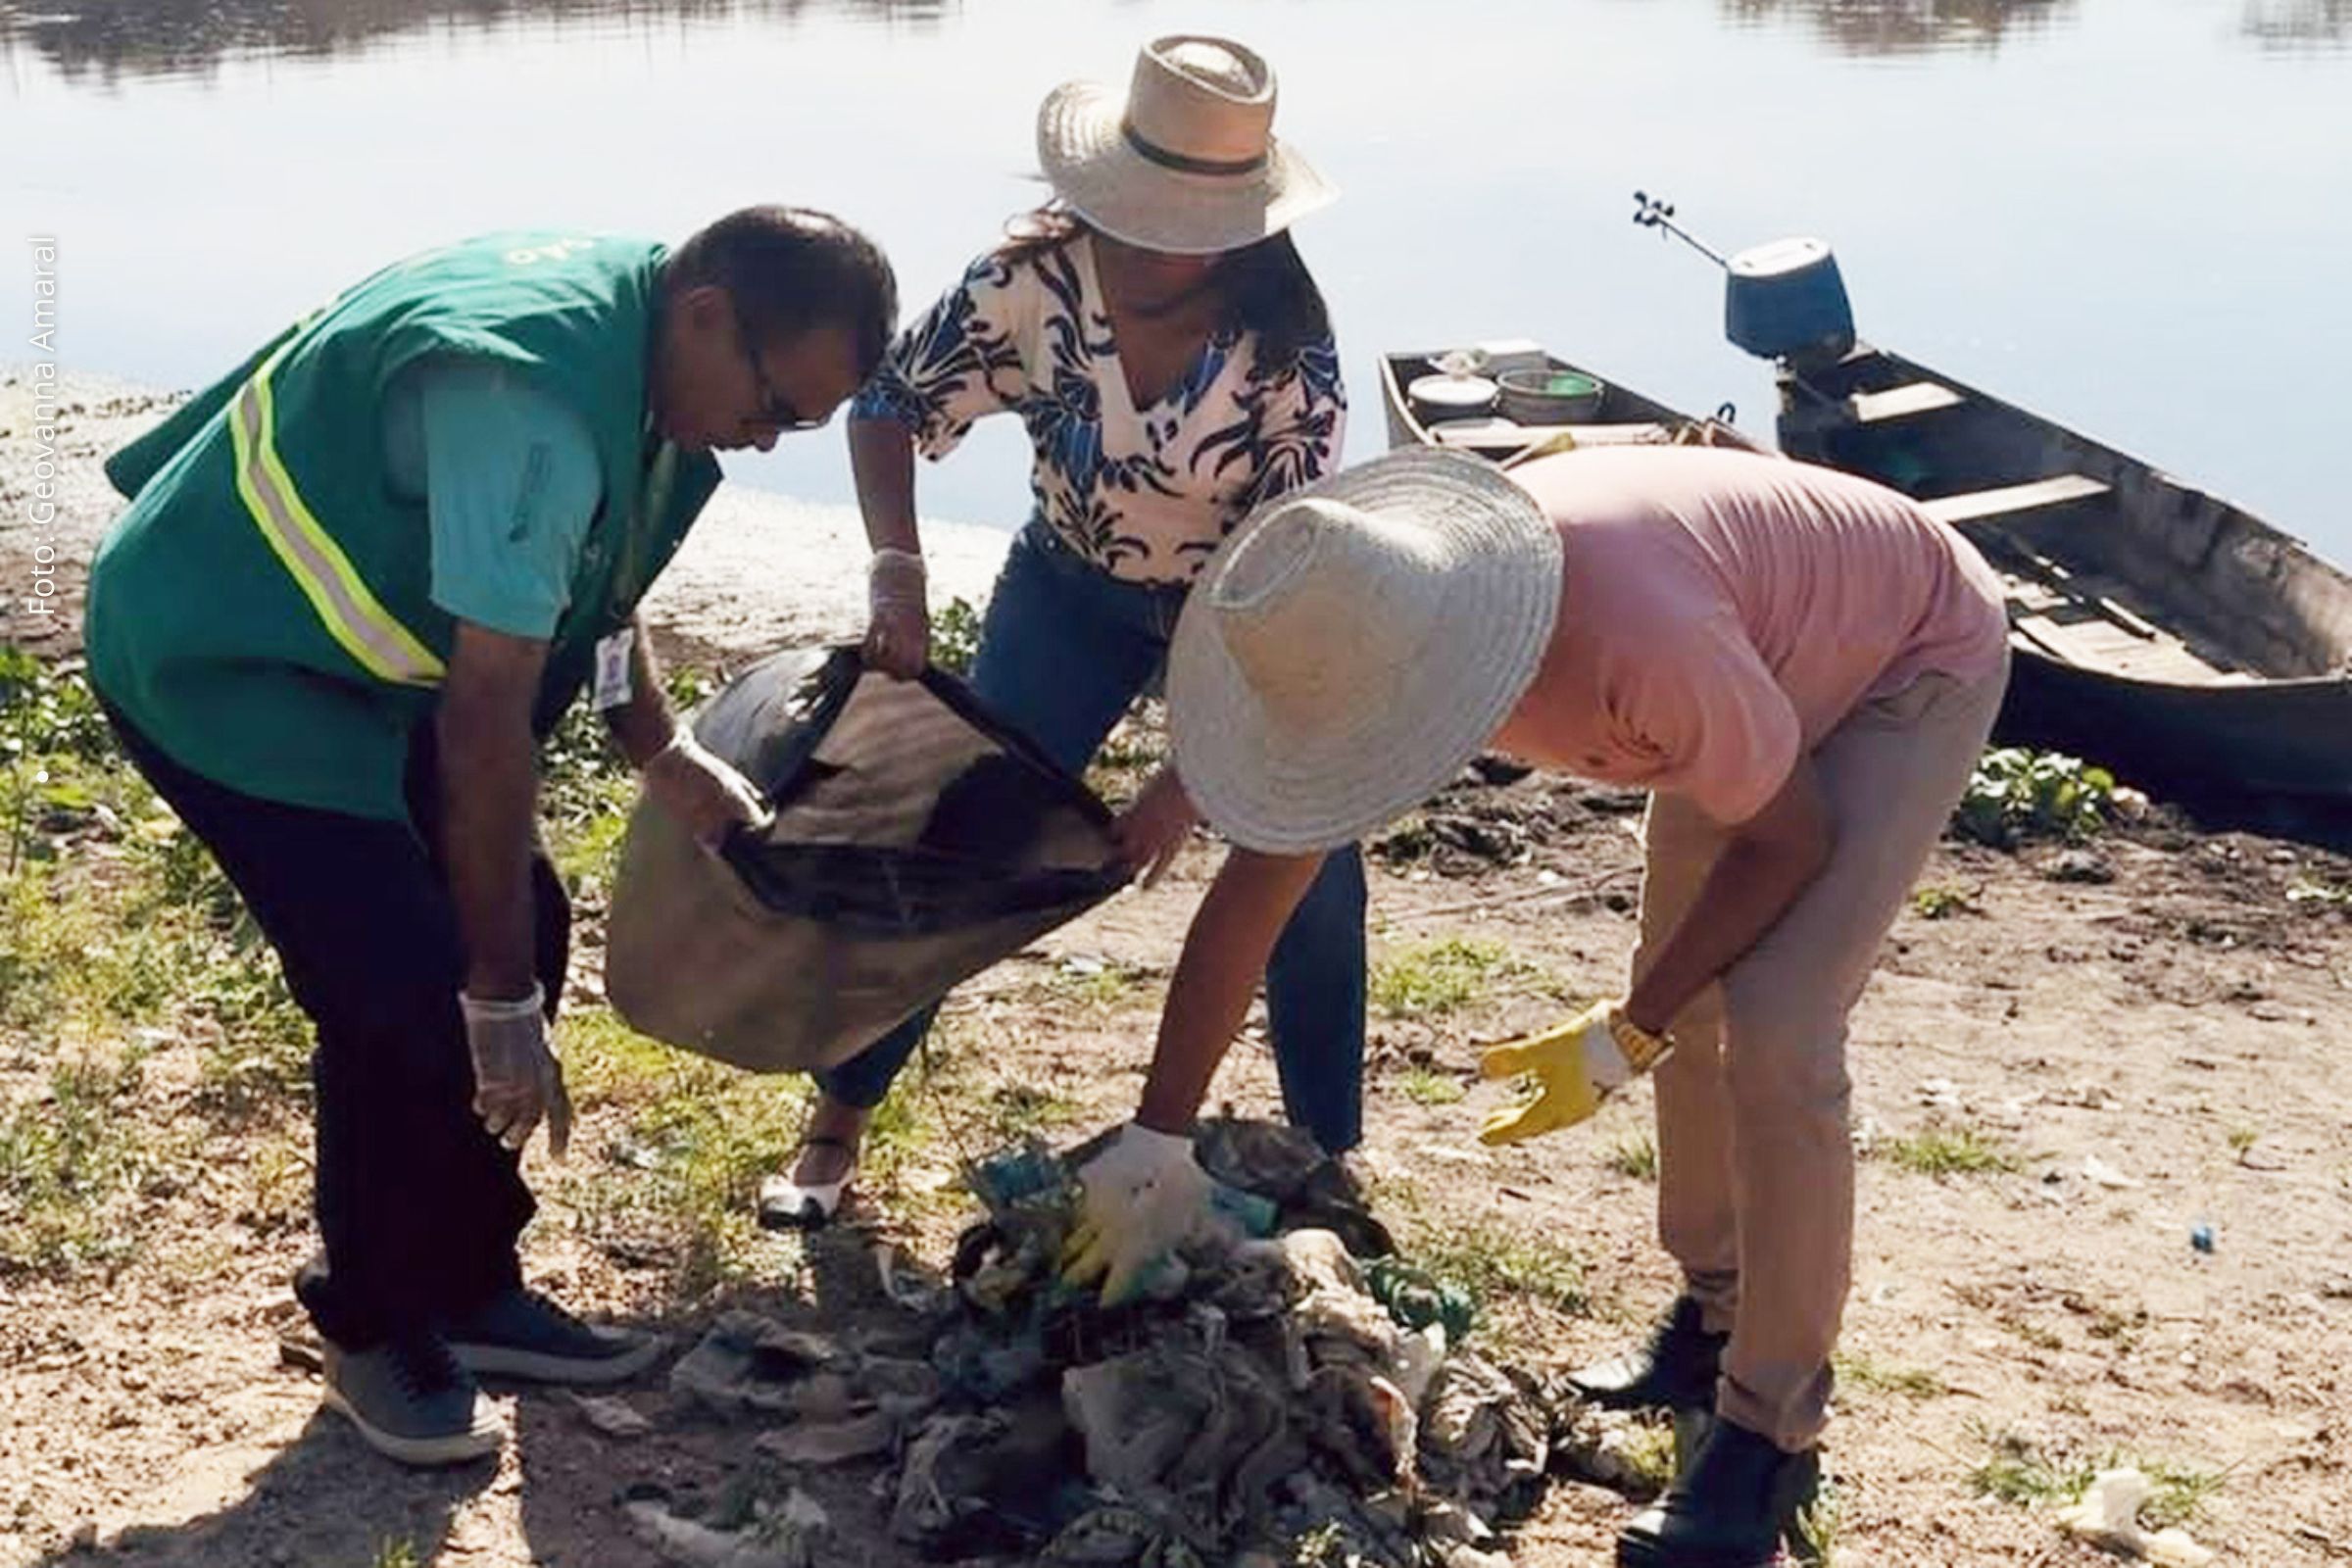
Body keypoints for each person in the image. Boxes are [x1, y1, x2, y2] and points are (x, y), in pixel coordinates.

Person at [1059, 444, 2011, 1568]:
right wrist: (1158, 1138)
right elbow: (1258, 888)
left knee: (1775, 1022)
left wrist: (1628, 1029)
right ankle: (1715, 1315)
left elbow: (1789, 840)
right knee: (1693, 990)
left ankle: (1768, 1434)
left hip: (1904, 657)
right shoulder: (1363, 629)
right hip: (1750, 661)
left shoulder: (1627, 645)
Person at [83, 208, 897, 1466]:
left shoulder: (642, 337)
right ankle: (367, 1325)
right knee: (407, 982)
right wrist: (496, 992)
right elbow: (485, 722)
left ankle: (463, 1276)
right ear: (707, 316)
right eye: (776, 406)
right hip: (221, 650)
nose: (766, 438)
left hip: (359, 660)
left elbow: (595, 588)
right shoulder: (531, 409)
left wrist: (664, 754)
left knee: (526, 921)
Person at [760, 34, 1364, 1226]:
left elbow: (1289, 584)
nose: (1141, 251)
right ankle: (840, 1118)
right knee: (968, 830)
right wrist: (897, 567)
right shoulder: (1029, 281)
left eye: (1179, 232)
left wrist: (1184, 785)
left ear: (1239, 233)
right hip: (1068, 588)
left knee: (1314, 872)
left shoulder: (1291, 356)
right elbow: (890, 401)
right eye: (1128, 217)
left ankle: (1324, 1156)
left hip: (1233, 619)